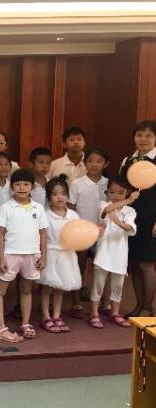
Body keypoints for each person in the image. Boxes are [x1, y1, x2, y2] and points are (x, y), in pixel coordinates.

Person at [0, 169, 48, 343]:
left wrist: (44, 255)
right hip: (10, 254)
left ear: (32, 187)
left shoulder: (38, 208)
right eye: (17, 184)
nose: (22, 187)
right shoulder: (5, 208)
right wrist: (1, 258)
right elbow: (0, 234)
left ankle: (25, 323)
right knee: (0, 290)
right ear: (12, 187)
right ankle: (0, 328)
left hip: (32, 254)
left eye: (26, 184)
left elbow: (43, 233)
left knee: (26, 289)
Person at [89, 176, 138, 328]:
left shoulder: (130, 211)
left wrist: (118, 222)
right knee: (98, 283)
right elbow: (106, 210)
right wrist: (128, 199)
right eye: (112, 192)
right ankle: (94, 313)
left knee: (118, 285)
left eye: (120, 192)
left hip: (120, 253)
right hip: (104, 252)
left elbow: (130, 228)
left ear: (127, 192)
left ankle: (115, 313)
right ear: (107, 192)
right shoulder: (104, 204)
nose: (115, 196)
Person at [68, 146, 109, 318]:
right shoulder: (76, 183)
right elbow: (71, 208)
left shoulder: (108, 184)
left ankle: (104, 303)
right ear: (85, 163)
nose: (94, 164)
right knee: (79, 266)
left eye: (99, 161)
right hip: (81, 232)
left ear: (106, 164)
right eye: (90, 161)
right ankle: (76, 302)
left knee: (103, 268)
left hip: (103, 232)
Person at [120, 120, 156, 318]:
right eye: (139, 135)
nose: (143, 139)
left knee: (147, 264)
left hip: (151, 219)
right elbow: (121, 188)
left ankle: (148, 308)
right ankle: (138, 305)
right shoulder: (128, 160)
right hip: (130, 220)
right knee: (134, 264)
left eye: (149, 135)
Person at [37, 175, 81, 334]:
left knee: (59, 288)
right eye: (55, 194)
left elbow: (78, 234)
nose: (60, 197)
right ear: (49, 198)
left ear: (68, 196)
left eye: (63, 193)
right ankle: (46, 317)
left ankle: (56, 315)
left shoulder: (73, 215)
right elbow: (41, 236)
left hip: (67, 254)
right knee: (47, 287)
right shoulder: (45, 214)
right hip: (50, 253)